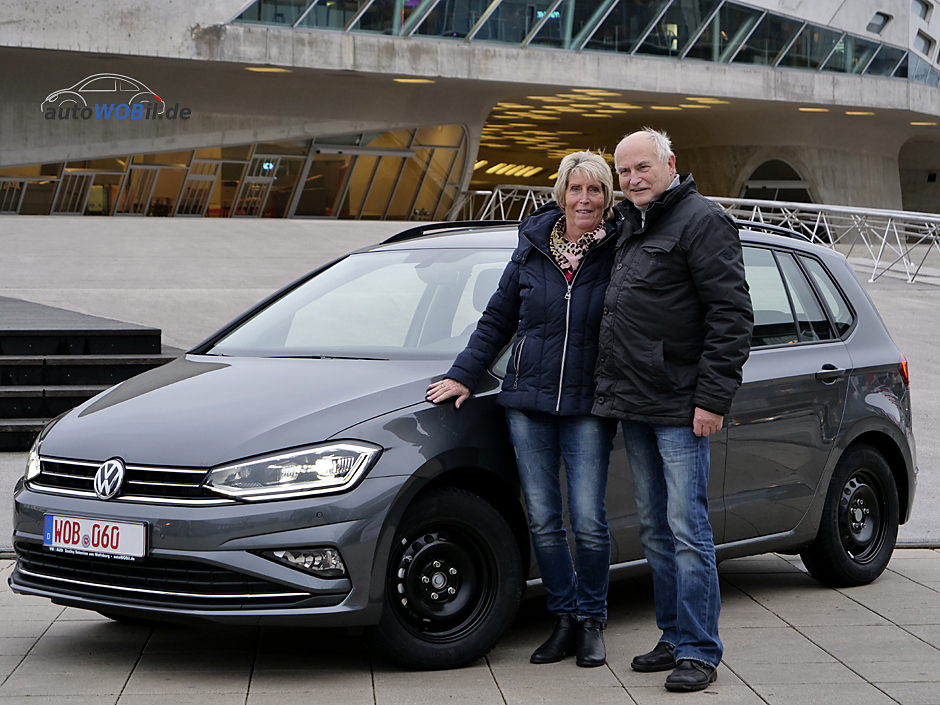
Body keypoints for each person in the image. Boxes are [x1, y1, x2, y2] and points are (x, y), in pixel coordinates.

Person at [427, 151, 618, 668]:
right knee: (544, 518)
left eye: (595, 190)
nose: (585, 199)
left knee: (588, 519)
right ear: (561, 194)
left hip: (587, 405)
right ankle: (562, 618)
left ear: (608, 197)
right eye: (576, 189)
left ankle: (592, 620)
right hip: (527, 402)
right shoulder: (532, 246)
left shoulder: (622, 249)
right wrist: (462, 375)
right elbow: (497, 318)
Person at [593, 128, 753, 692]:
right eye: (624, 172)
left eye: (643, 168)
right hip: (636, 404)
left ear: (669, 164)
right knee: (657, 531)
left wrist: (712, 398)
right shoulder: (630, 224)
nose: (633, 179)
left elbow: (731, 316)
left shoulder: (701, 221)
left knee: (688, 530)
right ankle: (671, 635)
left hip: (682, 407)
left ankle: (700, 650)